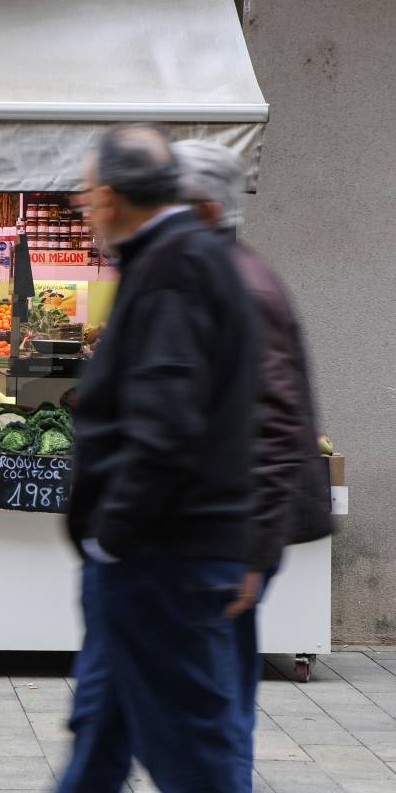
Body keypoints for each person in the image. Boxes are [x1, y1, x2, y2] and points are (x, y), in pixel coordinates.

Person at [57, 123, 259, 793]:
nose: (84, 214)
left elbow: (167, 428)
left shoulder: (174, 269)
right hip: (155, 557)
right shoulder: (185, 258)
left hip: (159, 561)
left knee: (194, 759)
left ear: (111, 199)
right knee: (99, 737)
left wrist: (114, 535)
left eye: (85, 199)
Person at [173, 139, 334, 789]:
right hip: (225, 527)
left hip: (233, 534)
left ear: (207, 210)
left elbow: (272, 426)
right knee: (216, 690)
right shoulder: (220, 276)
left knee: (210, 698)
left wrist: (251, 552)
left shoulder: (240, 289)